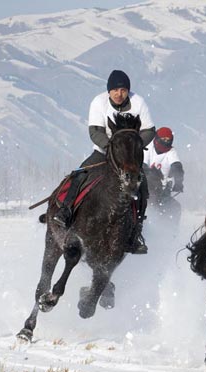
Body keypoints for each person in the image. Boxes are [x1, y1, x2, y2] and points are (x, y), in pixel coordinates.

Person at [53, 70, 156, 254]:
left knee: (142, 187)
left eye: (123, 90)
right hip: (104, 151)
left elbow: (149, 130)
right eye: (115, 90)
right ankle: (66, 211)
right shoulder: (98, 102)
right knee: (80, 174)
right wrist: (111, 146)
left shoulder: (139, 102)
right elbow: (94, 132)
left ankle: (136, 232)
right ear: (108, 91)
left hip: (129, 156)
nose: (119, 94)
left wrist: (134, 146)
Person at [143, 126, 184, 194]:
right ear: (158, 139)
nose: (166, 142)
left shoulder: (171, 151)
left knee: (175, 205)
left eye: (168, 140)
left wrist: (178, 182)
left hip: (163, 190)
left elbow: (177, 166)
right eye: (164, 139)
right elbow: (143, 165)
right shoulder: (149, 147)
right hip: (146, 186)